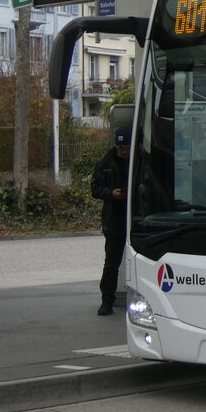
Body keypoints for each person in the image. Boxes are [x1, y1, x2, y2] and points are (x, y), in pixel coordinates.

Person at [91, 125, 129, 316]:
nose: (124, 151)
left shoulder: (140, 160)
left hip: (135, 219)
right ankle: (107, 301)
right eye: (121, 148)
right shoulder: (104, 162)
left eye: (127, 147)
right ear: (116, 146)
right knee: (111, 263)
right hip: (113, 218)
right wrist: (111, 194)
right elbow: (95, 189)